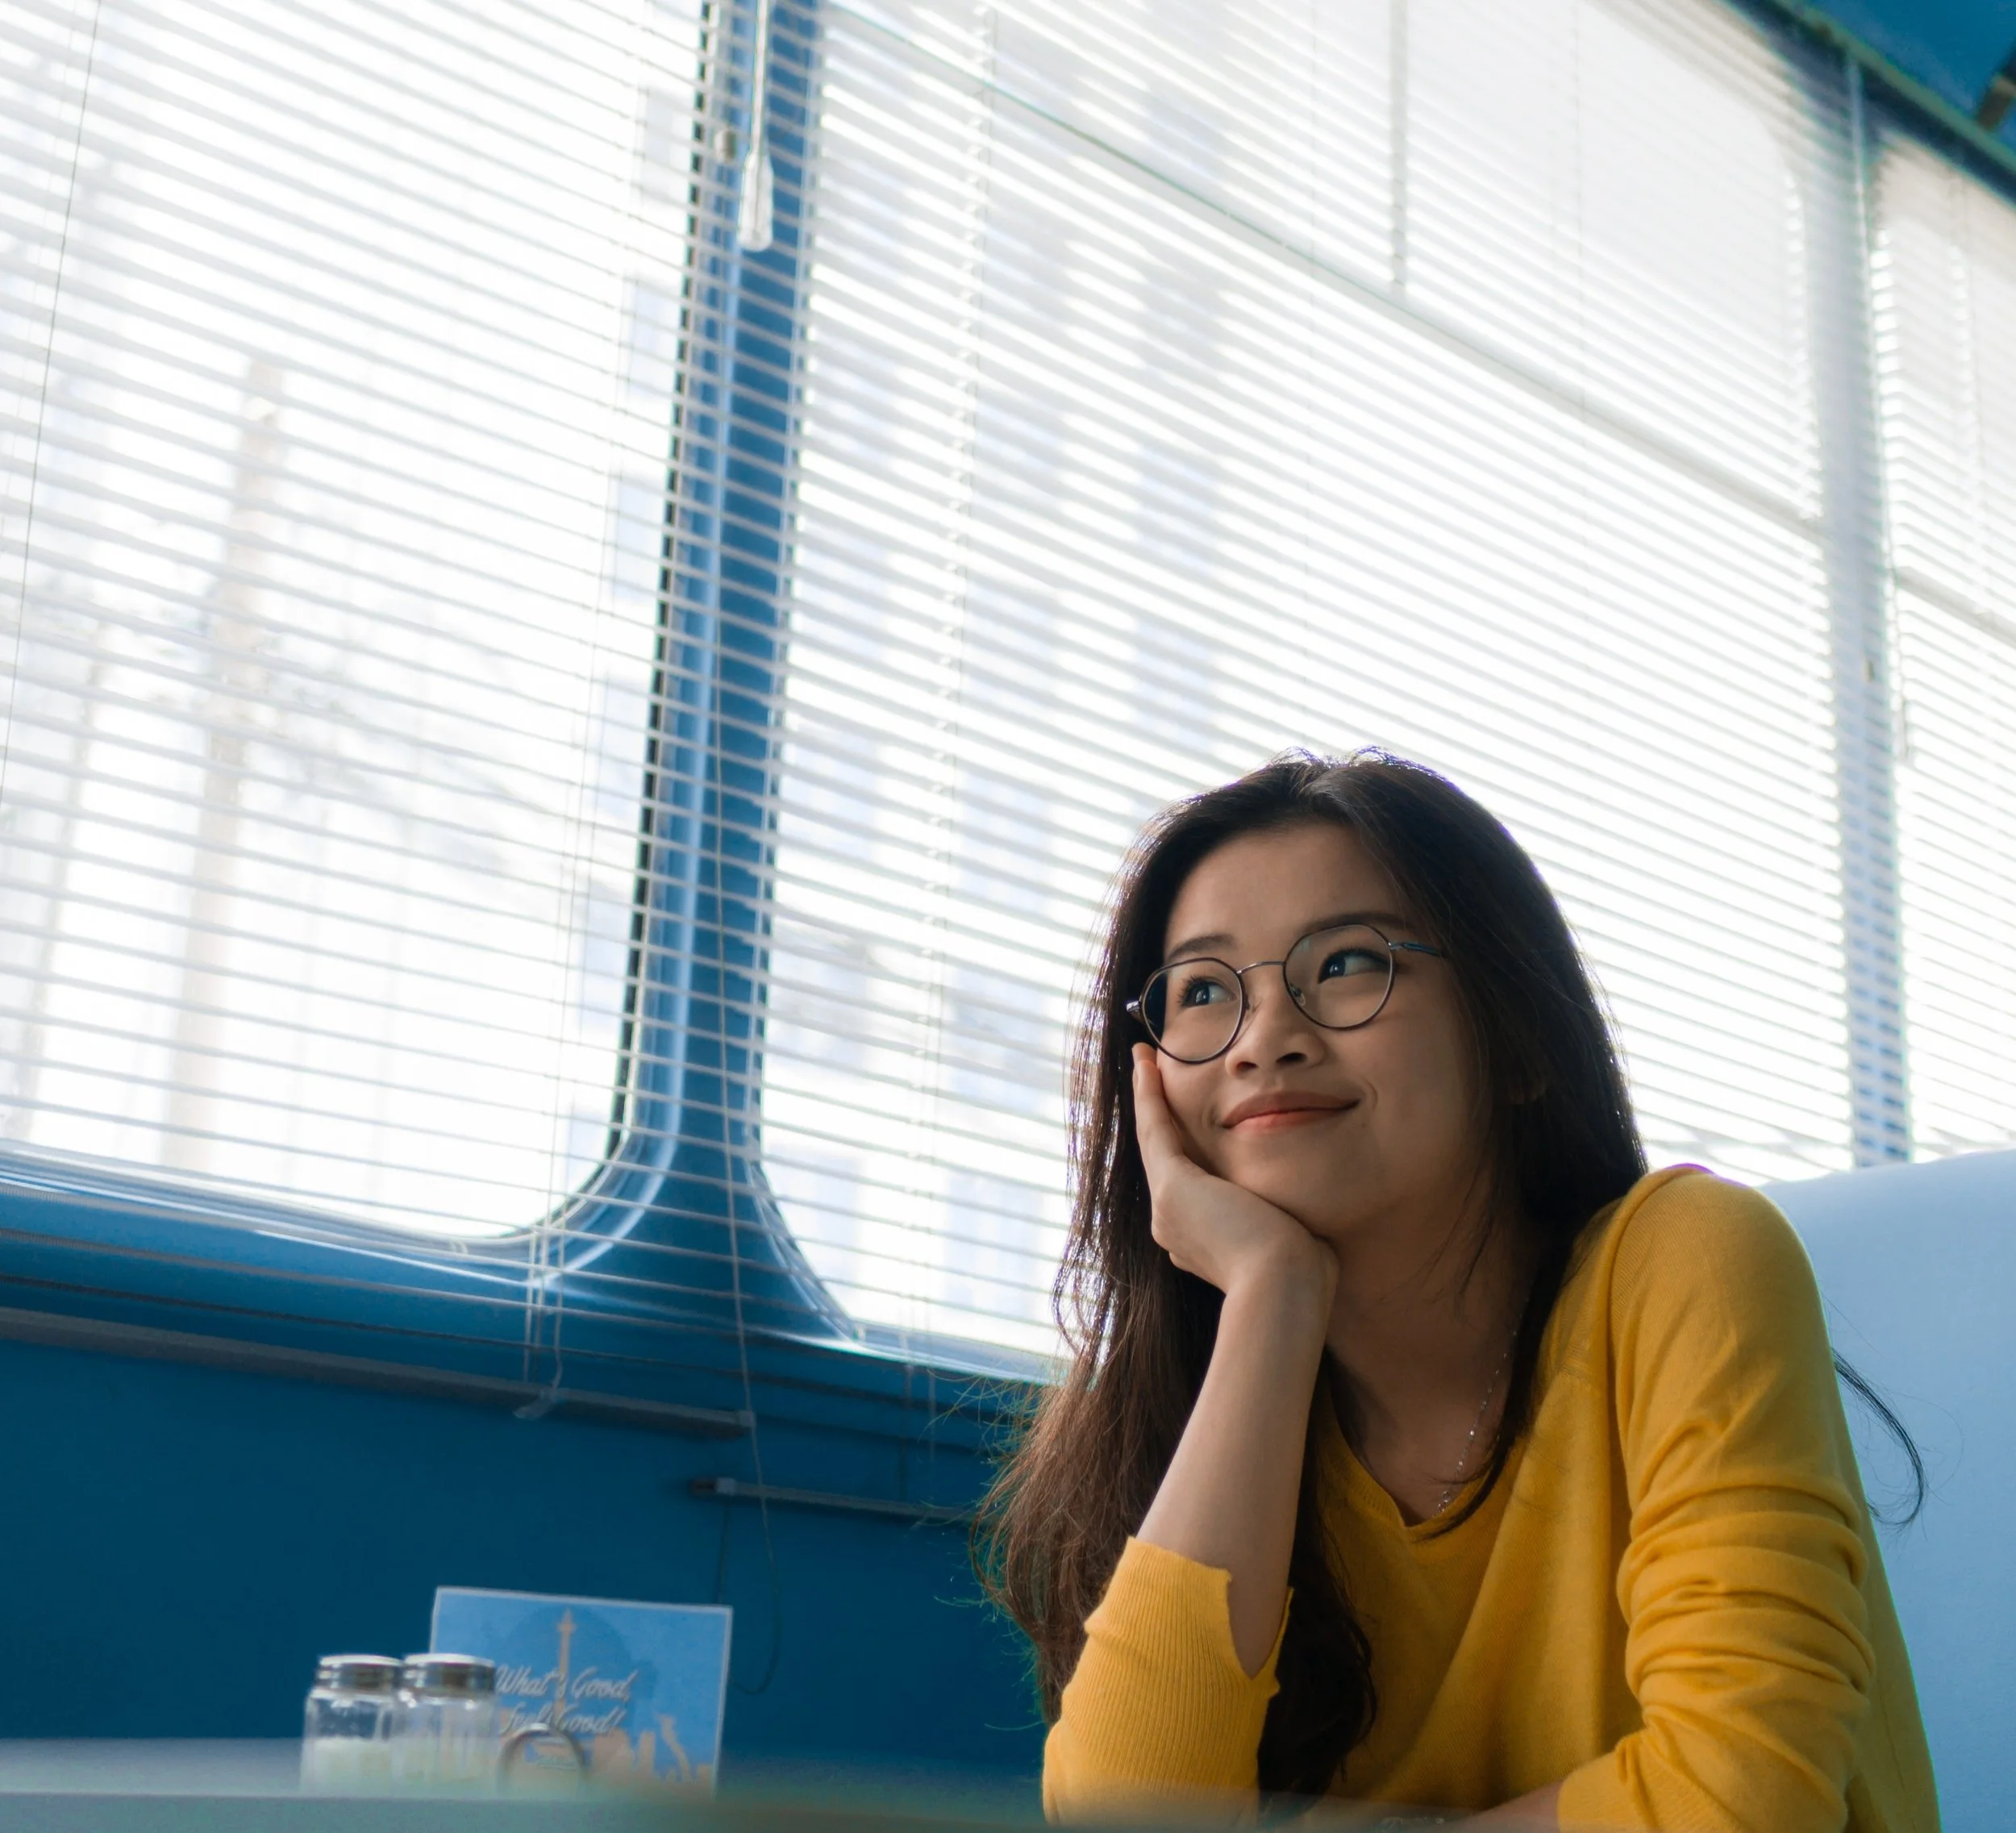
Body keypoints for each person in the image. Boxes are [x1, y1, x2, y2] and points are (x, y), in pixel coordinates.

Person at [976, 752, 1936, 1831]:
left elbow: (1741, 1798)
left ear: (1515, 1039)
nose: (1264, 1039)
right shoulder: (1206, 1412)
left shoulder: (1688, 1255)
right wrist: (1272, 1296)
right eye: (1203, 991)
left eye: (1346, 964)